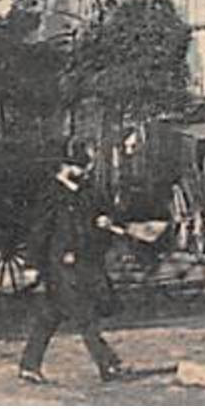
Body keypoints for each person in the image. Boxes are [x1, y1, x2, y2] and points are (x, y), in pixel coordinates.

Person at [19, 140, 129, 385]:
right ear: (66, 166)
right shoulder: (51, 194)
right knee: (85, 315)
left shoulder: (87, 192)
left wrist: (104, 222)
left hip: (85, 262)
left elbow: (103, 214)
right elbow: (39, 232)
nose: (86, 171)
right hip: (60, 265)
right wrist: (31, 265)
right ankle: (108, 364)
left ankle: (29, 364)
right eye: (82, 165)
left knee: (51, 315)